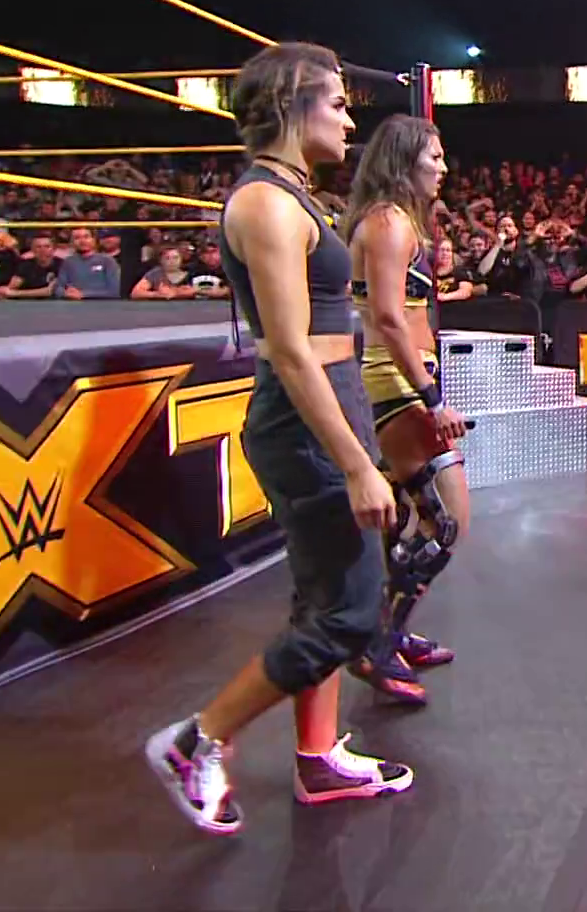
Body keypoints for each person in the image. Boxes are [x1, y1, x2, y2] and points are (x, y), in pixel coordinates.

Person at [144, 43, 410, 836]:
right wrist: (357, 464)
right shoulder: (265, 203)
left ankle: (318, 758)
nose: (350, 120)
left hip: (332, 404)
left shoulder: (295, 197)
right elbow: (291, 352)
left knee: (325, 598)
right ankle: (195, 741)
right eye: (338, 104)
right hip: (306, 418)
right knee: (351, 616)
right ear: (294, 105)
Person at [341, 114, 471, 706]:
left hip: (402, 378)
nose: (443, 168)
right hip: (398, 382)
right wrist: (431, 396)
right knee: (447, 519)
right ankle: (378, 641)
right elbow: (390, 319)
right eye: (434, 157)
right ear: (404, 160)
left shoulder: (393, 221)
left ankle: (387, 632)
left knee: (416, 521)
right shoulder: (390, 224)